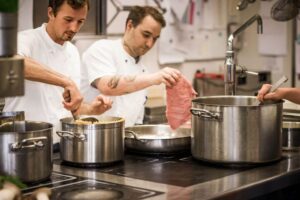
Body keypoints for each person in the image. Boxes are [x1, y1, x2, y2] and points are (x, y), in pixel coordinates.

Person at [4, 0, 112, 144]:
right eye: (68, 20)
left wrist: (92, 109)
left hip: (58, 144)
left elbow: (70, 108)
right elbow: (14, 63)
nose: (74, 28)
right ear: (50, 13)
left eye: (80, 21)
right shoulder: (25, 39)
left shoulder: (73, 52)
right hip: (21, 143)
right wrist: (66, 81)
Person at [80, 5, 181, 127]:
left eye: (155, 39)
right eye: (146, 35)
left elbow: (137, 120)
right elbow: (107, 87)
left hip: (123, 141)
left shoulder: (143, 71)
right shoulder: (102, 49)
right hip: (91, 138)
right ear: (129, 26)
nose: (150, 44)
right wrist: (154, 78)